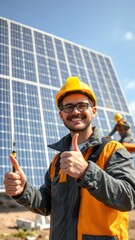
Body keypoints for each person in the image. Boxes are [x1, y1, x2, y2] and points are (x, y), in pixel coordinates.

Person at [4, 76, 135, 240]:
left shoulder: (113, 150)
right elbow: (47, 205)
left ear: (93, 111)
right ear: (61, 115)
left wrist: (86, 172)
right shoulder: (58, 161)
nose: (75, 111)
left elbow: (128, 198)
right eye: (68, 107)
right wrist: (23, 190)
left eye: (82, 105)